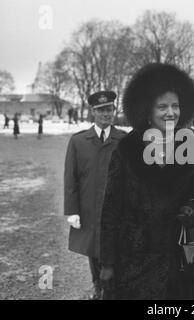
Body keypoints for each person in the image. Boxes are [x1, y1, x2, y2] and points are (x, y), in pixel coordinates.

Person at [99, 63, 194, 300]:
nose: (170, 112)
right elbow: (111, 209)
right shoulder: (126, 149)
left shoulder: (193, 146)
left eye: (175, 106)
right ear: (147, 110)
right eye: (162, 106)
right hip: (133, 260)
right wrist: (108, 263)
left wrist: (191, 208)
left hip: (177, 260)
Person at [64, 90, 126, 300]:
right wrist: (72, 210)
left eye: (109, 109)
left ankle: (112, 286)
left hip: (116, 208)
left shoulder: (123, 140)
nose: (105, 114)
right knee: (93, 249)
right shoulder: (79, 141)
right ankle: (97, 285)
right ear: (92, 112)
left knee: (115, 246)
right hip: (89, 206)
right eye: (100, 110)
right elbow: (70, 178)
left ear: (114, 111)